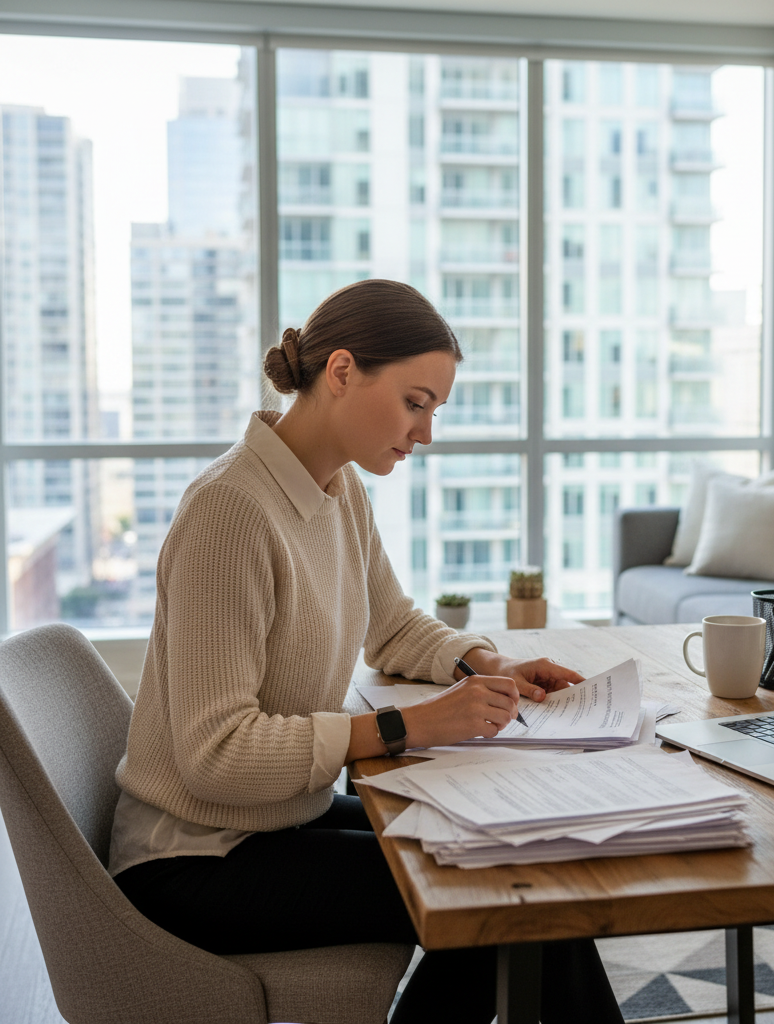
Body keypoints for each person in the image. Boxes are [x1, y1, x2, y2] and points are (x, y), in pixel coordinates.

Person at [110, 279, 626, 1024]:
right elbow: (213, 753)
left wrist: (488, 665)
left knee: (532, 881)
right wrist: (408, 727)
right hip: (196, 859)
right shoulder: (230, 510)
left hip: (276, 819)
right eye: (415, 403)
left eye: (434, 411)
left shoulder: (338, 488)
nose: (425, 433)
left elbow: (393, 625)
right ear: (343, 371)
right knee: (494, 900)